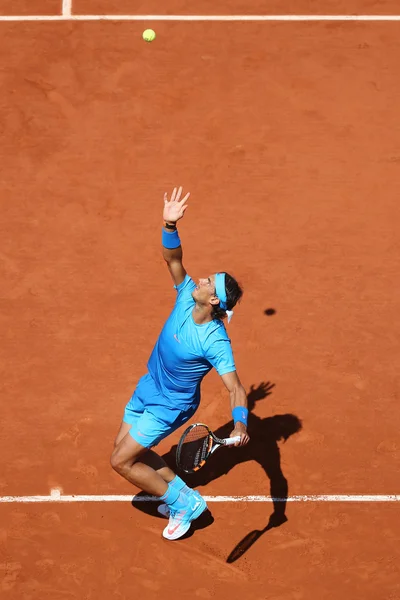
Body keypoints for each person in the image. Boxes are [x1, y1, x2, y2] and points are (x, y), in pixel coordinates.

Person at [111, 186, 250, 541]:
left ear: (214, 298)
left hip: (170, 404)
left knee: (122, 462)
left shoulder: (216, 341)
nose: (201, 279)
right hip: (149, 385)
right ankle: (181, 492)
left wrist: (240, 424)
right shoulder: (187, 295)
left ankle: (184, 505)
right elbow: (172, 259)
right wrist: (169, 225)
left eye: (208, 281)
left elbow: (235, 387)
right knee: (124, 447)